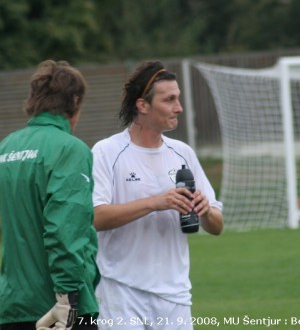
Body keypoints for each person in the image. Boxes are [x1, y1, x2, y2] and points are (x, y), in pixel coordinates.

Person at [91, 60, 224, 330]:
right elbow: (95, 216)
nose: (179, 108)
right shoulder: (106, 152)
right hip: (120, 292)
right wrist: (155, 202)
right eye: (170, 100)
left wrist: (206, 210)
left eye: (178, 98)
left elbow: (217, 226)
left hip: (175, 295)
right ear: (143, 106)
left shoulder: (183, 153)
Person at [0, 60, 99, 330]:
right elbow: (65, 229)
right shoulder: (70, 149)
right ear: (74, 100)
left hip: (14, 305)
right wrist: (67, 298)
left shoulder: (5, 147)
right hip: (59, 309)